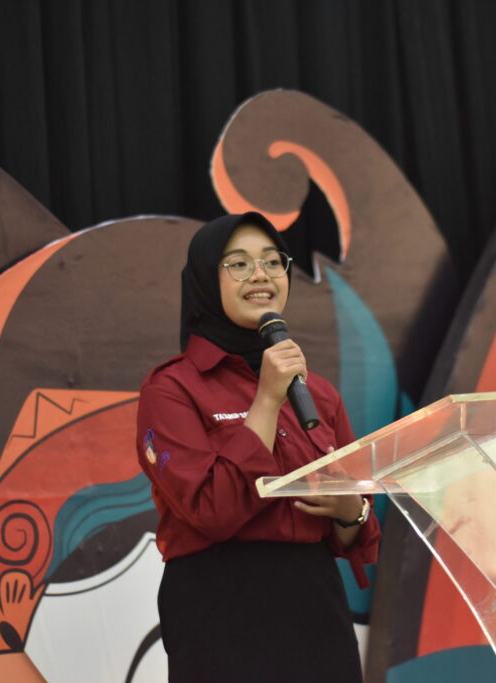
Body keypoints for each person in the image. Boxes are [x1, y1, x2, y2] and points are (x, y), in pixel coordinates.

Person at [136, 212, 379, 682]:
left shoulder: (317, 392)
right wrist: (266, 400)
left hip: (316, 607)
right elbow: (211, 511)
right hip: (220, 608)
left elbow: (356, 536)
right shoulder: (171, 389)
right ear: (206, 279)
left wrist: (351, 510)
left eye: (272, 261)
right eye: (240, 264)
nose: (261, 275)